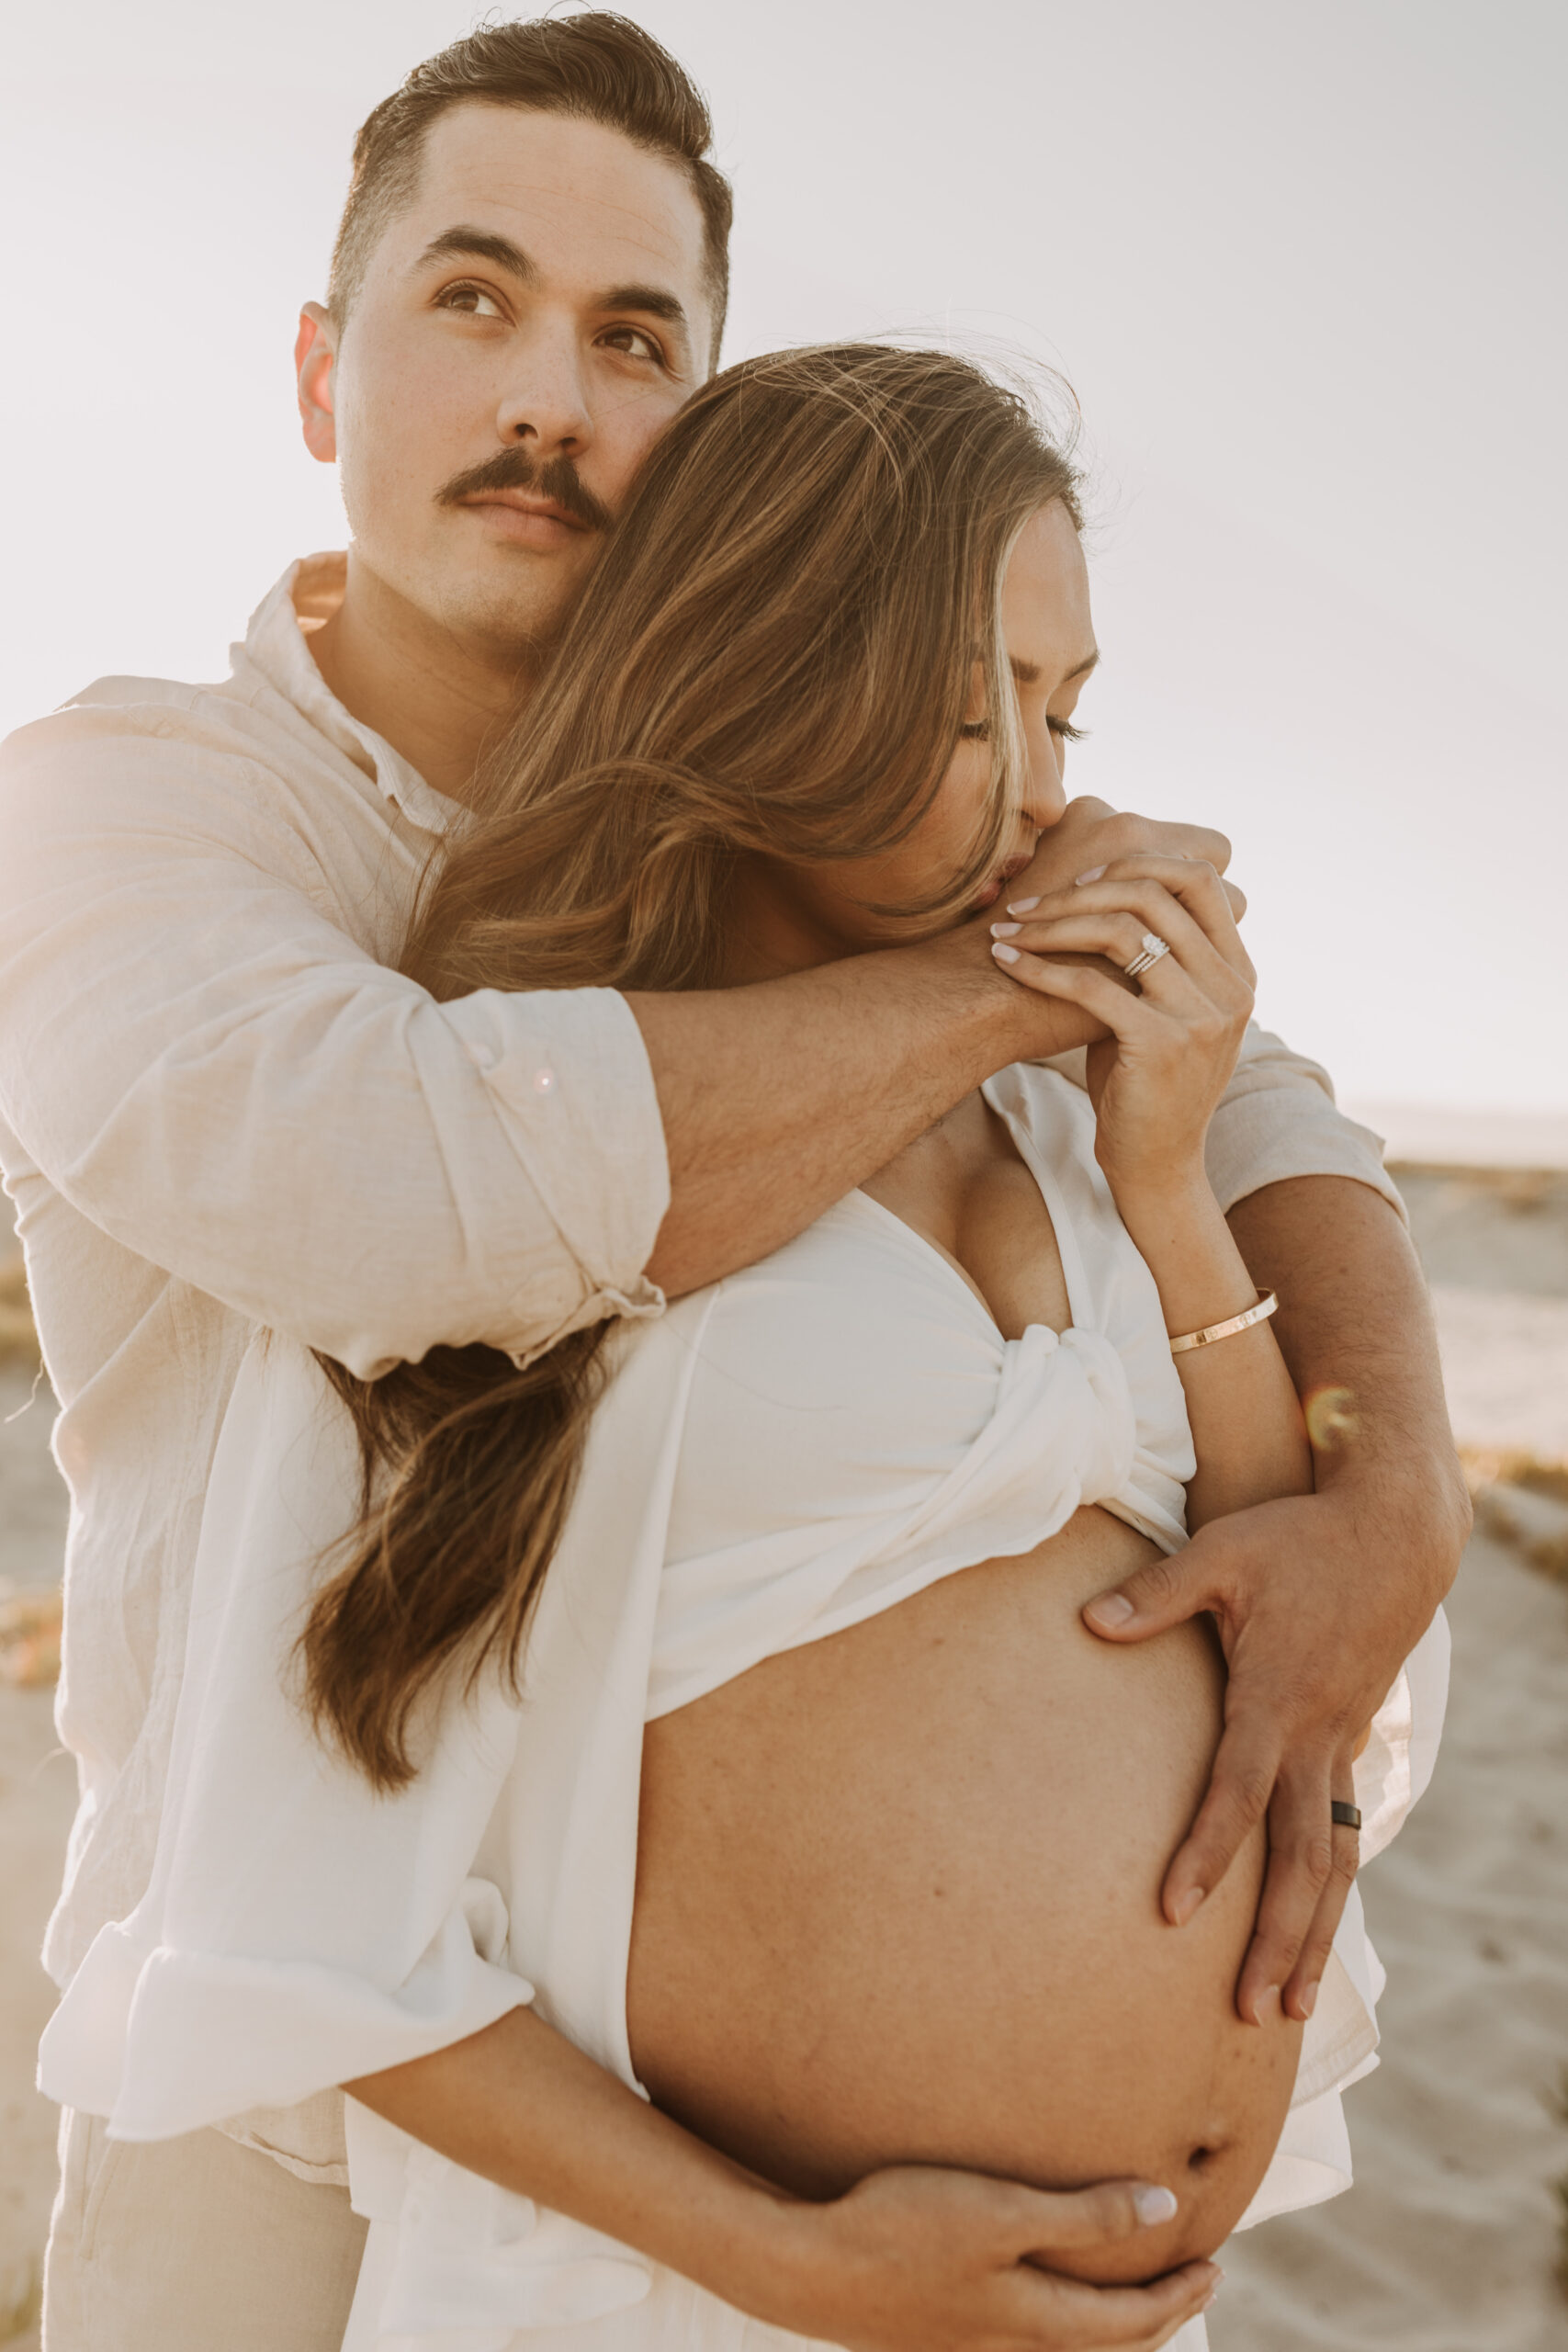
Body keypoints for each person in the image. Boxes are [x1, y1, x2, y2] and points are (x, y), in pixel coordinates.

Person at [0, 14, 1462, 2350]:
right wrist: (1016, 966)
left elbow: (1263, 1109)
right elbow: (414, 1189)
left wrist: (1394, 1504)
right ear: (317, 372)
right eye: (470, 302)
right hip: (277, 2115)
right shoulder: (139, 816)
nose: (549, 402)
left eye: (632, 337)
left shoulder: (862, 865)